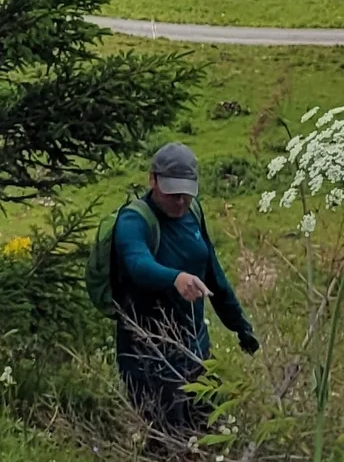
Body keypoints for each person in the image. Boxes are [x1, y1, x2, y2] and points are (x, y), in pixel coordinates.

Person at [106, 142, 260, 441]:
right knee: (168, 440)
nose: (180, 202)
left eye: (186, 193)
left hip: (195, 348)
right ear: (152, 180)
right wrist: (174, 278)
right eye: (172, 193)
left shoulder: (193, 213)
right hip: (150, 356)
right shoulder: (134, 220)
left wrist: (240, 326)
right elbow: (137, 263)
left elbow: (213, 274)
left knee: (211, 430)